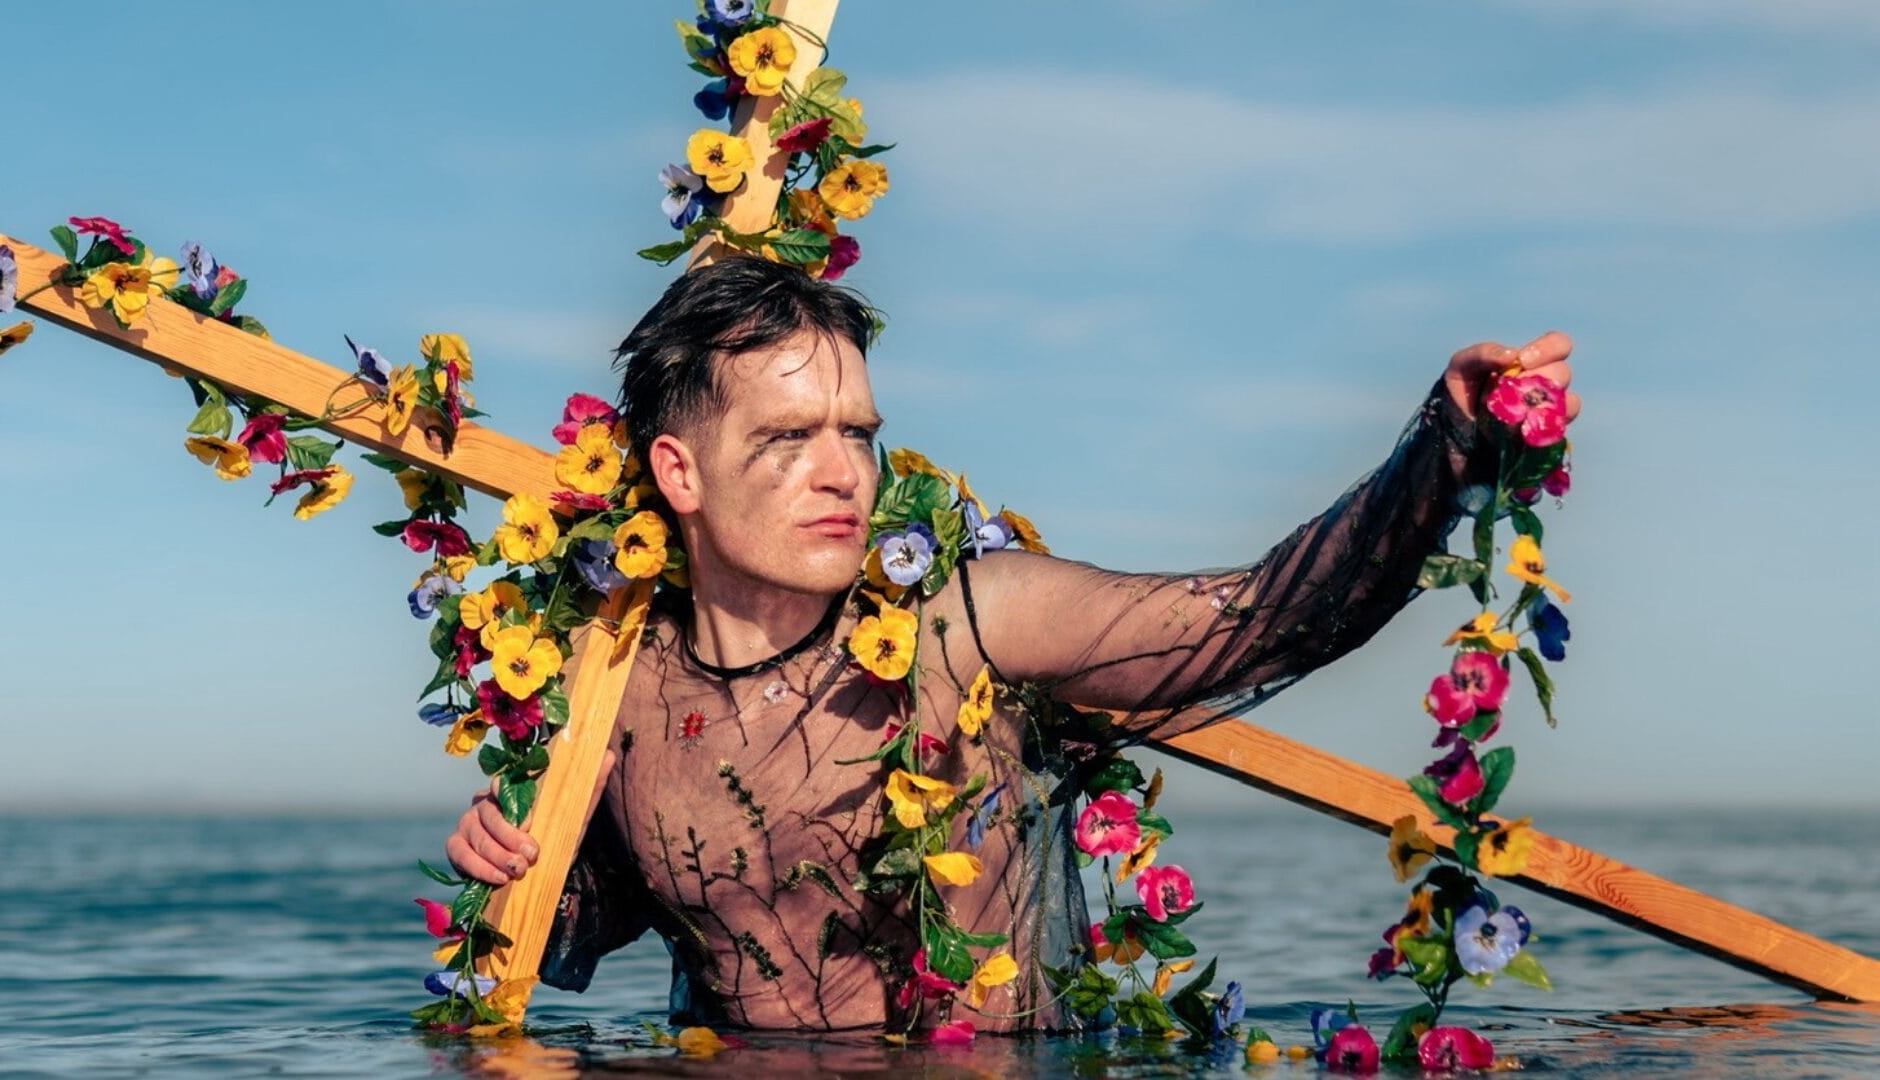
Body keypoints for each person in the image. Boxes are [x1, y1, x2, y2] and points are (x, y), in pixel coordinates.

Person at [443, 256, 1580, 1034]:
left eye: (858, 434)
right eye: (789, 438)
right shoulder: (614, 679)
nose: (843, 472)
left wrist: (1446, 447)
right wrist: (530, 862)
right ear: (678, 475)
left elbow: (1265, 617)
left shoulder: (966, 621)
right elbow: (579, 941)